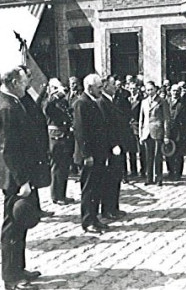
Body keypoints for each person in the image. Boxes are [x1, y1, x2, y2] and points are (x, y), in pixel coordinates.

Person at [0, 67, 41, 290]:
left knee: (20, 225)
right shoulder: (6, 108)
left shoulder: (14, 101)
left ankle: (19, 268)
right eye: (23, 82)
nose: (27, 85)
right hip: (14, 178)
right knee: (11, 228)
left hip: (19, 175)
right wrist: (22, 181)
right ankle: (11, 277)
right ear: (12, 82)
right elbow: (8, 150)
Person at [73, 74, 111, 234]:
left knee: (97, 187)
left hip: (98, 154)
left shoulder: (93, 102)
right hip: (89, 156)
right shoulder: (81, 103)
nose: (101, 90)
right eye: (99, 87)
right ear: (90, 87)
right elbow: (80, 132)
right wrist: (87, 155)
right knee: (89, 189)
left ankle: (94, 218)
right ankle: (87, 221)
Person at [18, 79, 52, 218]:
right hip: (28, 143)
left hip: (36, 142)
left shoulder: (29, 93)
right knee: (28, 180)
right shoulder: (21, 97)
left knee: (34, 180)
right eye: (27, 77)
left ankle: (36, 208)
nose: (30, 80)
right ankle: (29, 210)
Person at [99, 76, 129, 220]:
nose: (115, 87)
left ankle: (114, 207)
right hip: (111, 148)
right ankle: (108, 210)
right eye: (112, 85)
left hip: (117, 146)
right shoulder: (102, 102)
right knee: (109, 180)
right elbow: (106, 127)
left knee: (116, 178)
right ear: (105, 87)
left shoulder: (111, 101)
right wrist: (113, 145)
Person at [43, 78, 75, 205]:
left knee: (64, 166)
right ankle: (56, 195)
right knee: (57, 167)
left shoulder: (62, 101)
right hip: (55, 137)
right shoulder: (49, 101)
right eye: (55, 87)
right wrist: (55, 95)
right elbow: (46, 109)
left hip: (65, 135)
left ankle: (62, 194)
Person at [139, 80, 172, 186]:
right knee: (148, 156)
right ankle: (149, 178)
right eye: (147, 90)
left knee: (158, 156)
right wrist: (141, 134)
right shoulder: (144, 102)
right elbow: (141, 119)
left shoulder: (162, 101)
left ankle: (158, 178)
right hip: (147, 131)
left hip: (157, 131)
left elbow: (166, 119)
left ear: (156, 89)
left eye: (151, 89)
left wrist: (166, 135)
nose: (149, 92)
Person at [166, 83, 186, 181]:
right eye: (173, 91)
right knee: (168, 151)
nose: (175, 93)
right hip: (169, 130)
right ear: (170, 92)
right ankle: (170, 171)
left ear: (180, 92)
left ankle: (178, 173)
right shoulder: (167, 101)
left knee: (178, 152)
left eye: (177, 91)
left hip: (180, 130)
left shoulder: (184, 103)